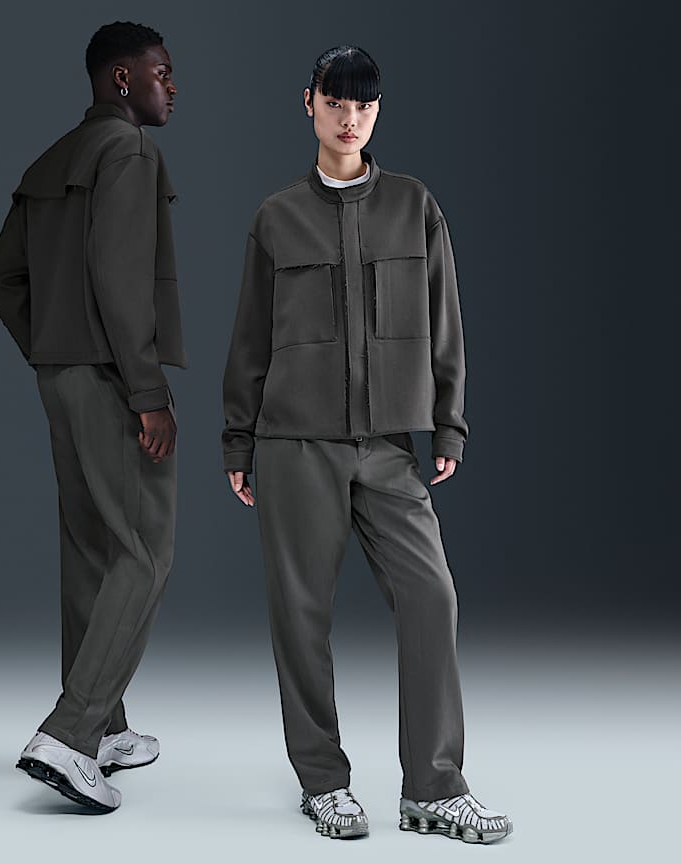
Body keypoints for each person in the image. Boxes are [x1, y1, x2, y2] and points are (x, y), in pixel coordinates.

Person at [221, 45, 511, 844]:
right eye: (335, 103)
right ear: (308, 104)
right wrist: (238, 441)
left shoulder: (415, 206)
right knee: (301, 616)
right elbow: (249, 340)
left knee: (431, 596)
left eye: (364, 105)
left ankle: (434, 787)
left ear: (377, 111)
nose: (350, 119)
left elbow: (446, 321)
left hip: (387, 446)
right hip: (294, 444)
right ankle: (323, 783)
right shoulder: (277, 216)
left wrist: (448, 421)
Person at [0, 20, 185, 813]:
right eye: (162, 73)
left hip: (62, 375)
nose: (173, 86)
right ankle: (69, 735)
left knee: (91, 552)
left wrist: (52, 349)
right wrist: (147, 392)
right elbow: (121, 280)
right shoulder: (128, 151)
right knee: (144, 550)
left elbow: (2, 277)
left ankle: (104, 728)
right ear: (122, 79)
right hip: (110, 379)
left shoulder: (53, 159)